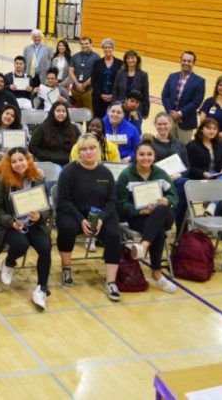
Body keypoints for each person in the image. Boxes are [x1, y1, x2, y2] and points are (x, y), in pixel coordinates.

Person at [56, 133, 122, 301]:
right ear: (78, 153)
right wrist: (80, 220)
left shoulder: (106, 172)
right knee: (67, 228)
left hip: (100, 214)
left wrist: (101, 218)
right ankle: (66, 267)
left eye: (92, 148)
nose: (88, 152)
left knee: (114, 235)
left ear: (97, 150)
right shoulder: (68, 172)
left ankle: (111, 281)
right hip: (73, 213)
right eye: (83, 149)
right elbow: (63, 201)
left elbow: (112, 201)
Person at [0, 147, 52, 309]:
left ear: (28, 160)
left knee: (45, 247)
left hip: (32, 223)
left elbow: (47, 207)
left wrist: (40, 216)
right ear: (8, 164)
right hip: (8, 225)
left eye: (21, 160)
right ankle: (8, 262)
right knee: (21, 244)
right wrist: (11, 222)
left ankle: (41, 288)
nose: (18, 164)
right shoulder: (0, 181)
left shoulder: (38, 177)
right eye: (13, 161)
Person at [116, 141, 178, 293]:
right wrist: (139, 211)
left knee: (161, 210)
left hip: (162, 215)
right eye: (141, 154)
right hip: (138, 218)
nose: (145, 158)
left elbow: (174, 196)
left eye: (149, 154)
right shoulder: (125, 175)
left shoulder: (161, 173)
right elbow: (120, 204)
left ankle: (143, 246)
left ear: (154, 156)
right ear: (136, 156)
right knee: (158, 230)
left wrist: (167, 200)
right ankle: (157, 273)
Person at [148, 113, 191, 231]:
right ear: (155, 125)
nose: (162, 127)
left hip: (176, 180)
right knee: (184, 188)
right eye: (159, 124)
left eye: (165, 124)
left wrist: (180, 174)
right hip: (157, 182)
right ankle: (177, 228)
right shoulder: (149, 143)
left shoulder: (179, 143)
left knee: (184, 183)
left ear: (171, 124)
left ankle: (169, 219)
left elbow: (187, 167)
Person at [160, 51, 206, 142]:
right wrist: (171, 113)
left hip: (187, 122)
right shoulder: (172, 76)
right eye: (184, 60)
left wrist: (179, 114)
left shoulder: (200, 81)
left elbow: (196, 102)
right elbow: (164, 96)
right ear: (180, 61)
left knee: (183, 149)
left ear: (193, 63)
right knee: (169, 146)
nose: (186, 63)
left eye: (189, 61)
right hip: (170, 120)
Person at [28, 101, 78, 166]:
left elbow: (80, 145)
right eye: (58, 111)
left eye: (64, 111)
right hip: (50, 163)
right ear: (52, 113)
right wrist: (44, 157)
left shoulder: (74, 128)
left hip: (70, 163)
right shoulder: (42, 128)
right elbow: (33, 146)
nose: (61, 113)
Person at [186, 118, 222, 183]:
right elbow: (189, 166)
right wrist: (202, 173)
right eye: (209, 128)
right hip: (198, 176)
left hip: (215, 174)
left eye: (214, 129)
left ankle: (220, 191)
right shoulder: (192, 145)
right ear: (201, 129)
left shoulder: (219, 144)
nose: (212, 131)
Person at [112, 50, 150, 120]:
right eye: (128, 58)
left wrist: (146, 111)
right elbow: (115, 91)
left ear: (137, 60)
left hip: (136, 109)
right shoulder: (120, 73)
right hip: (120, 108)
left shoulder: (143, 75)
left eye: (133, 58)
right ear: (125, 60)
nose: (130, 60)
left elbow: (145, 94)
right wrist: (113, 105)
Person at [68, 36, 99, 112]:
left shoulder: (97, 57)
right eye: (82, 44)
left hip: (89, 91)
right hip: (75, 90)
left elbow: (95, 75)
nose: (84, 45)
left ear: (91, 44)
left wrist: (84, 85)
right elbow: (70, 71)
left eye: (86, 43)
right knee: (77, 115)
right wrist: (77, 84)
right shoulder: (75, 56)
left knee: (90, 114)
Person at [91, 38, 119, 121]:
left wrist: (112, 95)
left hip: (113, 99)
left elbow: (120, 83)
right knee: (98, 119)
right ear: (102, 49)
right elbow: (94, 80)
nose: (107, 49)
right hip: (98, 98)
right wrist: (100, 94)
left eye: (109, 47)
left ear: (113, 48)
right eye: (105, 47)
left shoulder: (120, 63)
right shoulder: (97, 63)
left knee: (112, 120)